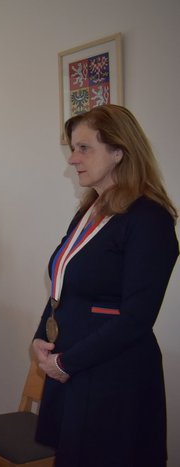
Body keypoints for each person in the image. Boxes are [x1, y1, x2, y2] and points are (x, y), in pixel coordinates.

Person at [31, 104, 178, 466]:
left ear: (118, 152)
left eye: (84, 148)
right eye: (73, 148)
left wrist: (66, 362)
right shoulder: (90, 211)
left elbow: (137, 318)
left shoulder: (149, 219)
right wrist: (41, 338)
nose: (72, 159)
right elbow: (64, 284)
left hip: (113, 375)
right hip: (74, 364)